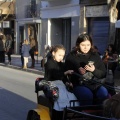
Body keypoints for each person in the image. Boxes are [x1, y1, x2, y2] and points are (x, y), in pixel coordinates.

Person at [64, 33, 108, 106]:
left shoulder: (95, 55)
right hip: (79, 85)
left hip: (95, 84)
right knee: (87, 96)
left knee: (103, 93)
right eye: (83, 45)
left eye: (88, 45)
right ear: (78, 45)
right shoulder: (72, 56)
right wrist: (77, 71)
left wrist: (94, 70)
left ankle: (99, 114)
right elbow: (66, 73)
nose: (86, 47)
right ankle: (85, 114)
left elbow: (103, 73)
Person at [44, 44, 78, 120]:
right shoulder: (49, 63)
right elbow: (54, 75)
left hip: (60, 84)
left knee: (72, 97)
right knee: (60, 98)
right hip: (50, 83)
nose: (61, 57)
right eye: (59, 55)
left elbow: (63, 78)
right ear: (53, 53)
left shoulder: (62, 64)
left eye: (63, 56)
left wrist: (67, 82)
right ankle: (58, 117)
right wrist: (66, 73)